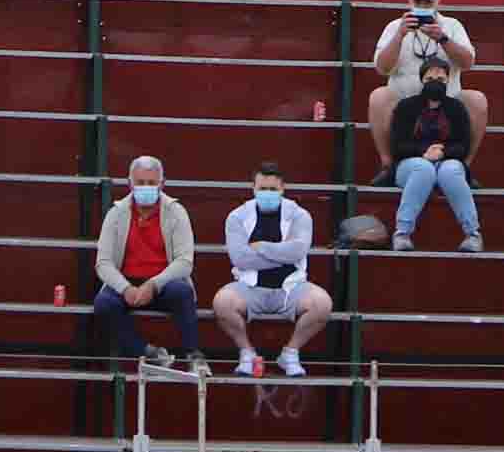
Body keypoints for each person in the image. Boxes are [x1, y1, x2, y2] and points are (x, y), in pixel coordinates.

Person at [216, 163, 331, 375]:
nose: (267, 194)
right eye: (262, 189)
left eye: (273, 189)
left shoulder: (300, 215)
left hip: (291, 288)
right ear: (253, 188)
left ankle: (290, 353)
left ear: (282, 189)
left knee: (322, 304)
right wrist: (282, 254)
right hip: (249, 287)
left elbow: (297, 252)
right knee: (222, 302)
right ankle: (247, 353)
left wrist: (260, 247)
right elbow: (240, 259)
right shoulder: (237, 217)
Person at [88, 157, 204, 368]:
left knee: (183, 292)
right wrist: (125, 288)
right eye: (140, 182)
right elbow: (103, 262)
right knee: (103, 305)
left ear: (162, 184)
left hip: (163, 282)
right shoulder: (116, 213)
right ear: (130, 184)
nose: (145, 187)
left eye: (151, 183)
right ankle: (147, 352)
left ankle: (193, 355)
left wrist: (153, 285)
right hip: (127, 282)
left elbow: (185, 262)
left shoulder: (177, 212)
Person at [363, 0, 485, 162]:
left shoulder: (452, 26)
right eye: (418, 1)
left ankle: (465, 166)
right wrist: (399, 36)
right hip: (405, 105)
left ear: (438, 1)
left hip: (447, 104)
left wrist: (443, 39)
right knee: (379, 97)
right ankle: (387, 164)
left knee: (477, 100)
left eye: (427, 2)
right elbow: (382, 68)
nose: (422, 6)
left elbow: (468, 63)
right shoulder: (395, 27)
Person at [387, 57, 481, 251]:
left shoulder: (456, 108)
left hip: (446, 160)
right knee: (423, 169)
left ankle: (472, 234)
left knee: (452, 170)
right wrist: (423, 152)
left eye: (441, 78)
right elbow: (397, 146)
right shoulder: (406, 107)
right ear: (422, 80)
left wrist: (442, 152)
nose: (435, 82)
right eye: (430, 78)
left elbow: (463, 146)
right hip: (411, 163)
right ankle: (402, 233)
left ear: (448, 81)